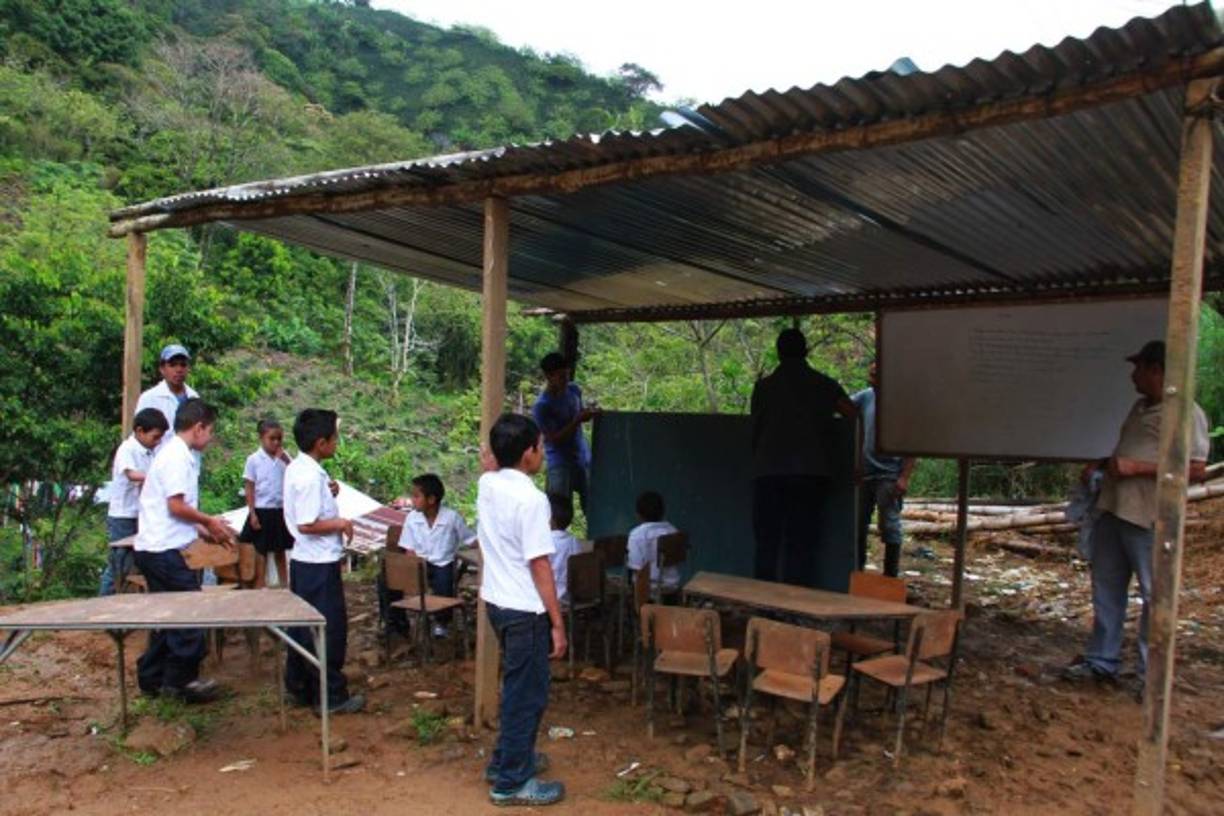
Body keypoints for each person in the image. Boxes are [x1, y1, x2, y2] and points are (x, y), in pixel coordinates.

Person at [1063, 341, 1210, 698]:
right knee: (1107, 590)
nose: (1133, 374)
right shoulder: (1140, 407)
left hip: (1148, 517)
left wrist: (1137, 468)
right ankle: (1102, 661)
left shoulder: (1186, 413)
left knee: (1153, 595)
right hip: (1115, 508)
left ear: (1157, 370)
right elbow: (1126, 452)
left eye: (1139, 368)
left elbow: (1196, 469)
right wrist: (1102, 465)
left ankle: (1151, 677)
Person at [478, 412, 566, 807]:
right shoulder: (532, 500)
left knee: (517, 688)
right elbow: (540, 564)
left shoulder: (487, 484)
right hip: (524, 609)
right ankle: (512, 782)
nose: (543, 452)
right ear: (528, 453)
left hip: (496, 602)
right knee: (526, 696)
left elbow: (490, 464)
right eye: (540, 446)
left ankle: (506, 762)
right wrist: (557, 622)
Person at [133, 398, 234, 703]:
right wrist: (208, 520)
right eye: (211, 431)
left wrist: (208, 531)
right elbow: (176, 505)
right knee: (190, 617)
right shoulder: (176, 456)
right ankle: (179, 683)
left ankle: (151, 677)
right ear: (199, 427)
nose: (211, 438)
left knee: (171, 617)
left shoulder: (176, 455)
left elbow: (178, 512)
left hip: (157, 546)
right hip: (162, 549)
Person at [750, 328, 857, 585]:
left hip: (769, 471)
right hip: (811, 473)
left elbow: (755, 429)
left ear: (778, 353)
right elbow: (853, 415)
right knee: (801, 543)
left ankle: (763, 599)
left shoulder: (763, 388)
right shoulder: (823, 384)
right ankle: (795, 603)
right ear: (806, 351)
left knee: (768, 542)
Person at [282, 409, 364, 715]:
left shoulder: (301, 469)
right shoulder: (307, 476)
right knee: (328, 629)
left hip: (306, 562)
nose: (337, 442)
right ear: (321, 442)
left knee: (303, 626)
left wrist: (328, 493)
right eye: (335, 437)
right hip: (317, 562)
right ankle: (331, 696)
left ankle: (299, 686)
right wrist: (340, 523)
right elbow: (306, 523)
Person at [852, 361, 917, 577]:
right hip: (865, 473)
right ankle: (857, 570)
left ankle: (890, 576)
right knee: (858, 525)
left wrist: (904, 477)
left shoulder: (902, 403)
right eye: (870, 374)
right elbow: (844, 407)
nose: (870, 378)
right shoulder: (865, 397)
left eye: (875, 374)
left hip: (889, 474)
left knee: (890, 526)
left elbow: (912, 442)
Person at [99, 408, 168, 596]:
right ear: (139, 431)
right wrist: (158, 477)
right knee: (118, 565)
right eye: (155, 437)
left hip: (139, 514)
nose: (158, 442)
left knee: (135, 564)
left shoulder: (149, 452)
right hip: (123, 515)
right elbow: (132, 475)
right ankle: (105, 603)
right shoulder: (127, 449)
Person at [400, 473, 476, 638]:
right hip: (420, 563)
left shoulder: (451, 517)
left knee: (444, 585)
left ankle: (442, 623)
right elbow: (408, 549)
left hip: (443, 563)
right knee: (386, 581)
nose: (413, 500)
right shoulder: (412, 519)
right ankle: (396, 624)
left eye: (416, 496)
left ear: (431, 499)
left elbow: (470, 539)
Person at [532, 352, 597, 514]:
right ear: (549, 376)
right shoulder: (542, 406)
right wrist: (577, 420)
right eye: (561, 377)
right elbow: (552, 439)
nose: (565, 380)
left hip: (582, 457)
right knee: (558, 512)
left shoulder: (574, 390)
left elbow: (580, 413)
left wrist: (589, 413)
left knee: (593, 506)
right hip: (559, 462)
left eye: (567, 375)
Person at [239, 419, 294, 588]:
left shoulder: (285, 459)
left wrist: (285, 458)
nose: (276, 442)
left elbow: (295, 472)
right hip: (262, 510)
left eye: (279, 438)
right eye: (272, 438)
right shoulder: (254, 460)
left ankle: (285, 584)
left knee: (279, 549)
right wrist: (253, 513)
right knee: (261, 550)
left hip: (280, 510)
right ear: (261, 438)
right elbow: (250, 487)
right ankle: (260, 584)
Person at [135, 344, 199, 454]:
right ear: (162, 369)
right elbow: (140, 437)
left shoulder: (194, 397)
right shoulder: (150, 398)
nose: (179, 370)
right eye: (173, 365)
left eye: (183, 365)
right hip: (159, 464)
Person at [626, 490, 681, 593]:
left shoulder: (637, 535)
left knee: (631, 572)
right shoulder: (673, 530)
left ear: (638, 514)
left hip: (649, 589)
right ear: (663, 512)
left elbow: (636, 567)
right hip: (673, 586)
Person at [547, 493, 581, 606]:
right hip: (569, 594)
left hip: (550, 596)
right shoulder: (574, 540)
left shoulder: (545, 542)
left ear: (550, 518)